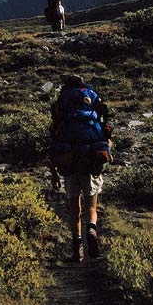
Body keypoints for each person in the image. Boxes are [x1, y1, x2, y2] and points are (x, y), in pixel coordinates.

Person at [48, 74, 112, 262]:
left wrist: (54, 174)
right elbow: (104, 128)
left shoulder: (64, 103)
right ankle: (91, 229)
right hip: (90, 157)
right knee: (91, 204)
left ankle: (77, 248)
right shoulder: (91, 96)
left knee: (73, 207)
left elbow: (53, 143)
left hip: (69, 158)